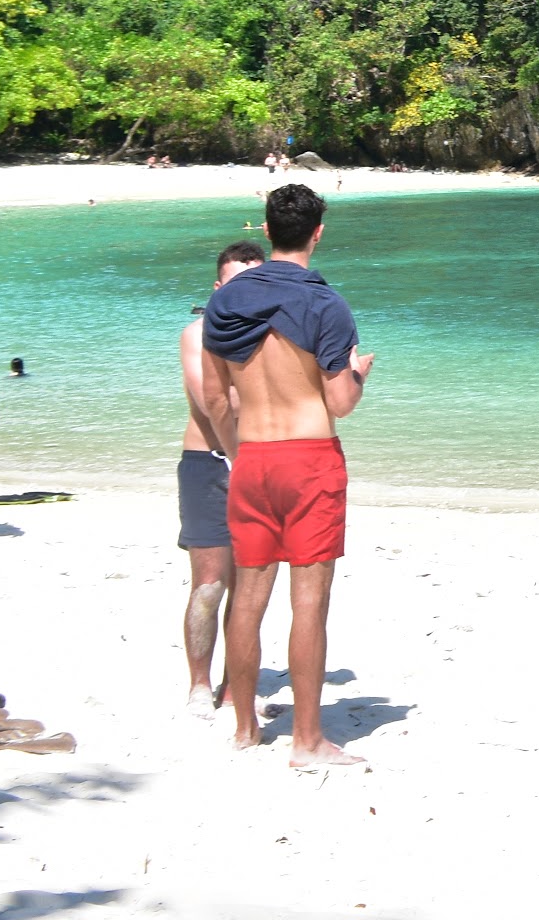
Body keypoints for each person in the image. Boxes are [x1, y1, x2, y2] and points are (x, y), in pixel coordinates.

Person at [202, 184, 373, 766]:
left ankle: (246, 727)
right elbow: (340, 402)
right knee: (309, 602)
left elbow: (214, 398)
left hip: (252, 459)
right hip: (309, 460)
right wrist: (359, 374)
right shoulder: (327, 305)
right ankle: (306, 740)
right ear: (317, 233)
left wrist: (238, 452)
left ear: (268, 231)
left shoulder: (223, 302)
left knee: (247, 599)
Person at [179, 242, 263, 712]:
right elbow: (217, 402)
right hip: (208, 462)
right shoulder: (198, 333)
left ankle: (235, 685)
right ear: (217, 288)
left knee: (250, 584)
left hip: (258, 461)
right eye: (236, 284)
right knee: (210, 583)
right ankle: (198, 684)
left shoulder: (275, 336)